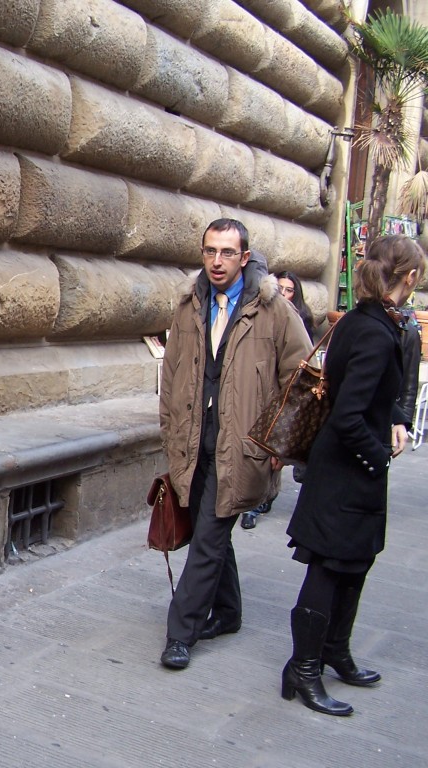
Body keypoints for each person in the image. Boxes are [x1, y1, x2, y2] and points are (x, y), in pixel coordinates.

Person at [281, 235, 427, 716]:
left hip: (351, 472)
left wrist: (389, 425)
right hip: (346, 471)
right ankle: (303, 668)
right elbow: (347, 415)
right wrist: (378, 454)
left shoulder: (367, 321)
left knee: (355, 563)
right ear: (410, 277)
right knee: (327, 568)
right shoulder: (370, 329)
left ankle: (333, 652)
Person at [158, 218, 311, 670]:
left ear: (245, 257)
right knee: (211, 532)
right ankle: (228, 612)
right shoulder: (189, 305)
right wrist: (169, 428)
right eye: (210, 251)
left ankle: (180, 632)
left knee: (207, 539)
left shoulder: (273, 310)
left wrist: (279, 444)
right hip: (193, 444)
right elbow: (171, 372)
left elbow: (300, 380)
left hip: (241, 450)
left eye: (227, 252)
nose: (217, 261)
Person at [241, 271, 316, 530]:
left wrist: (288, 440)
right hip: (251, 402)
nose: (283, 293)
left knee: (267, 457)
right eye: (280, 288)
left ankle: (259, 501)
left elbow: (300, 376)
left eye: (289, 289)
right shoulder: (258, 313)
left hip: (276, 402)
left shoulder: (296, 318)